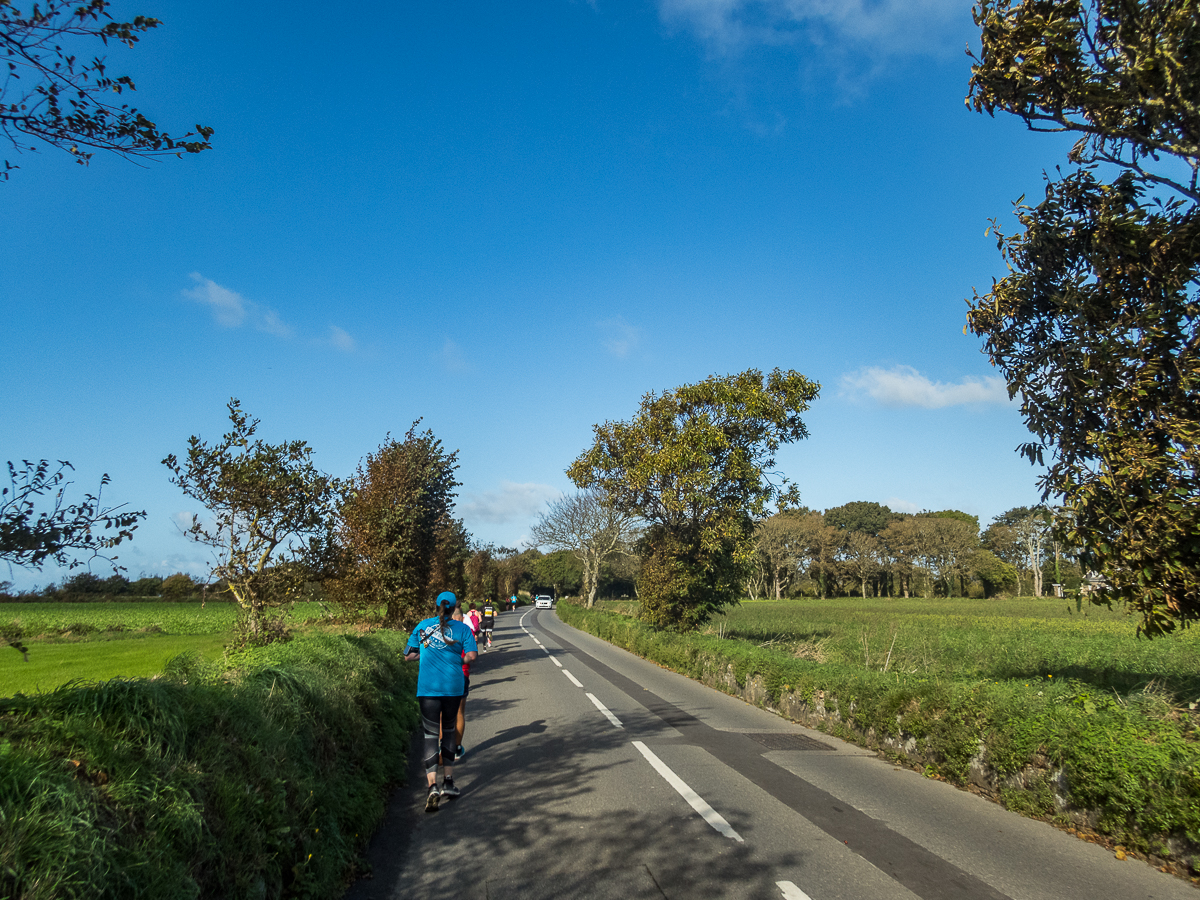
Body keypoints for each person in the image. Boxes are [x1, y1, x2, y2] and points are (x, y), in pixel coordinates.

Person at [404, 591, 478, 812]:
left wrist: (424, 655)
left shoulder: (423, 627)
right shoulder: (462, 628)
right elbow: (472, 656)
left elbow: (408, 655)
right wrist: (458, 659)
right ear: (454, 607)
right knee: (448, 731)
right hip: (453, 688)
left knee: (430, 735)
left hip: (428, 689)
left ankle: (432, 786)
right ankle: (448, 782)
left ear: (436, 605)